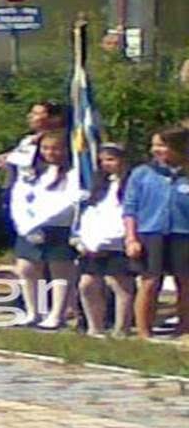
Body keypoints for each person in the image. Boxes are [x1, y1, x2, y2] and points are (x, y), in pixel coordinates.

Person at [123, 126, 189, 339]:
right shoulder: (142, 173)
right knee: (150, 282)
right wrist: (131, 238)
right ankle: (144, 331)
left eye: (161, 145)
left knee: (185, 282)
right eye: (154, 145)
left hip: (183, 233)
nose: (156, 150)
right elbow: (130, 208)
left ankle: (184, 329)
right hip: (151, 233)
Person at [9, 129, 79, 329]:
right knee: (26, 269)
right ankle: (34, 312)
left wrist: (39, 221)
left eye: (56, 148)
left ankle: (57, 315)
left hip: (58, 226)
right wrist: (24, 225)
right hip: (28, 228)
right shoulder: (32, 172)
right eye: (46, 148)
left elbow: (69, 201)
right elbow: (19, 198)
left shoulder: (73, 174)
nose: (50, 152)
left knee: (59, 272)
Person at [73, 144, 134, 338]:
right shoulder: (99, 187)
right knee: (87, 284)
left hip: (118, 243)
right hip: (93, 244)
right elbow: (90, 216)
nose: (106, 164)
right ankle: (95, 328)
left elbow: (126, 216)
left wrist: (116, 240)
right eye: (102, 161)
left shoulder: (131, 185)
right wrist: (85, 240)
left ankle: (121, 329)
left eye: (110, 159)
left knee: (120, 286)